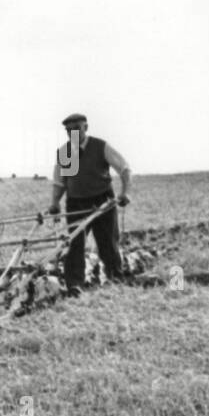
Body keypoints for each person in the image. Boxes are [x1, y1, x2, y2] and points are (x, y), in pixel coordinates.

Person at [47, 113, 132, 295]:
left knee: (108, 242)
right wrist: (55, 203)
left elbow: (124, 169)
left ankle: (115, 278)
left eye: (76, 128)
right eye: (68, 131)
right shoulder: (66, 152)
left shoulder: (100, 146)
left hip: (103, 201)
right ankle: (75, 285)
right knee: (75, 244)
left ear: (86, 127)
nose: (73, 133)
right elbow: (61, 182)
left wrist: (124, 193)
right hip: (76, 204)